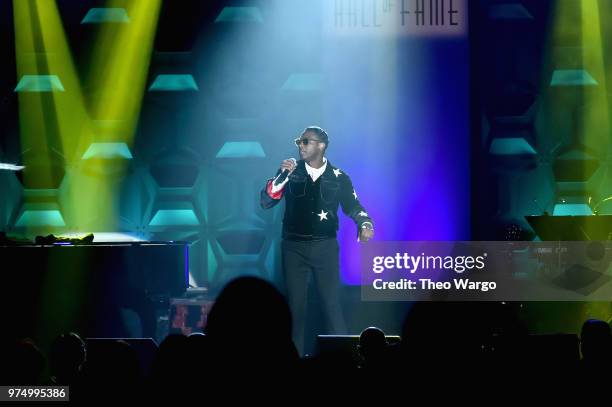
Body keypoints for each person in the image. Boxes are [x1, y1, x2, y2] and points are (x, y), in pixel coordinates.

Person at [260, 126, 374, 354]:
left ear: (321, 146)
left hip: (325, 247)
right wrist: (283, 175)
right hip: (294, 247)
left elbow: (354, 206)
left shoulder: (339, 177)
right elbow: (266, 200)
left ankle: (345, 358)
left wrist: (365, 223)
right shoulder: (292, 173)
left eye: (305, 142)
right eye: (299, 142)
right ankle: (293, 357)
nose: (300, 146)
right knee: (295, 309)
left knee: (332, 306)